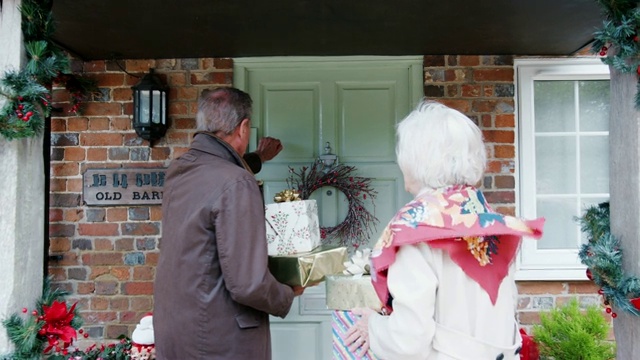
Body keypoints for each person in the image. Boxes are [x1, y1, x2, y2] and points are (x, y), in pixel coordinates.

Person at [344, 100, 544, 359]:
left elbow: (409, 342)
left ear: (416, 159)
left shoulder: (416, 232)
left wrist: (373, 326)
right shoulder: (488, 223)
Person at [154, 87, 304, 359]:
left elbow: (217, 175)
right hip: (219, 340)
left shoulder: (179, 171)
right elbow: (248, 284)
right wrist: (288, 293)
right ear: (243, 128)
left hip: (176, 331)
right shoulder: (236, 182)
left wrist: (257, 158)